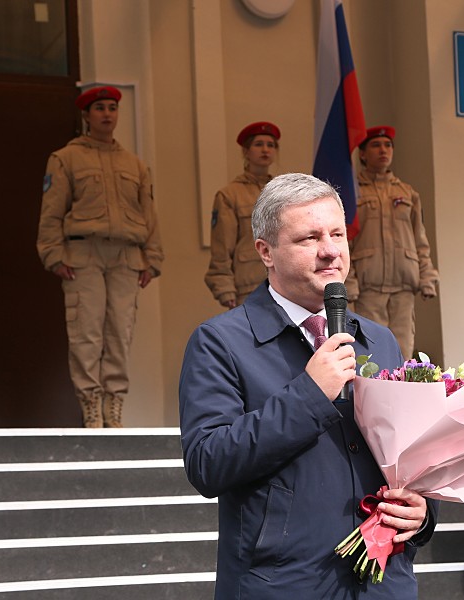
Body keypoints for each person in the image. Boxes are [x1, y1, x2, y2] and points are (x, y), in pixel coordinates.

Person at [180, 173, 438, 598]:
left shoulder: (381, 340)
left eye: (338, 233)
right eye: (309, 238)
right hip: (283, 584)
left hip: (383, 583)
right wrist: (309, 395)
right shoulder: (220, 342)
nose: (330, 250)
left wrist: (423, 513)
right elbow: (209, 463)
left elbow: (413, 457)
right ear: (266, 251)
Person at [37, 85, 163, 428]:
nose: (107, 114)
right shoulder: (66, 158)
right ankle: (91, 406)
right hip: (84, 255)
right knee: (87, 332)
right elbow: (51, 213)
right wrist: (52, 255)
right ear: (86, 116)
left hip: (126, 257)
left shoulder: (133, 164)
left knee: (119, 333)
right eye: (100, 108)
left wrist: (152, 259)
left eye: (112, 107)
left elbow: (148, 214)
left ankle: (114, 406)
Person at [346, 126, 440, 360]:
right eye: (376, 146)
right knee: (371, 352)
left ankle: (403, 396)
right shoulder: (352, 192)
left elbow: (420, 239)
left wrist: (427, 277)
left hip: (403, 286)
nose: (383, 150)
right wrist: (349, 282)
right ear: (363, 154)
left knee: (404, 352)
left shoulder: (407, 193)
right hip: (370, 287)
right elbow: (345, 239)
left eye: (388, 145)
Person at [204, 121, 280, 309]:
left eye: (270, 145)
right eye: (258, 144)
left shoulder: (282, 192)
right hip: (248, 286)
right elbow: (222, 246)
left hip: (284, 283)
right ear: (246, 152)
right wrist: (224, 287)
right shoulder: (230, 195)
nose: (265, 150)